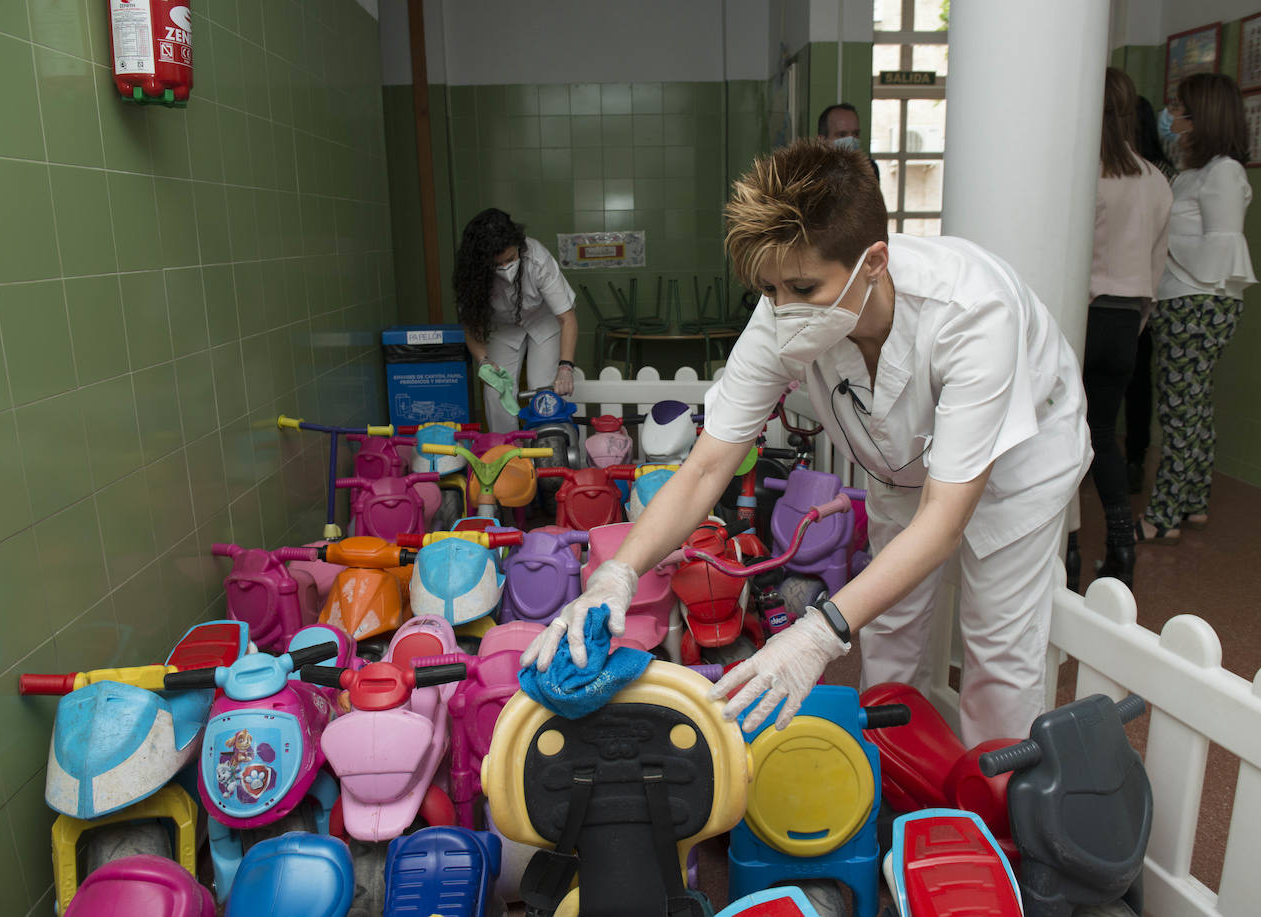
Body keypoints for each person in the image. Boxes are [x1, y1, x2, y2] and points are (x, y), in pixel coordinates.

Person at [524, 139, 1090, 745]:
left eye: (803, 288)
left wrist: (819, 633)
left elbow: (946, 520)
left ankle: (992, 818)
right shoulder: (783, 309)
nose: (783, 309)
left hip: (1016, 465)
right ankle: (888, 775)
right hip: (903, 462)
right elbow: (706, 466)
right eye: (769, 291)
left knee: (997, 648)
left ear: (874, 262)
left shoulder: (974, 312)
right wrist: (620, 573)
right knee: (888, 628)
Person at [1137, 74, 1256, 545]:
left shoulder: (1225, 171)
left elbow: (1222, 246)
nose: (1174, 117)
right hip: (1181, 299)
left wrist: (1164, 247)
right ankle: (1194, 502)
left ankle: (1163, 513)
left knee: (1180, 412)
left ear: (1203, 117)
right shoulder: (1193, 172)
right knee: (1193, 409)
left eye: (1182, 110)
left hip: (1199, 304)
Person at [1078, 69, 1171, 590]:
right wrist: (1137, 322)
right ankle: (1121, 552)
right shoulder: (1156, 179)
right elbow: (1157, 265)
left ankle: (1067, 554)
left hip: (1083, 316)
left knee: (1064, 438)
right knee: (1103, 438)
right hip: (1126, 322)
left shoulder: (1086, 175)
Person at [453, 209, 579, 432]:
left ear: (518, 246)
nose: (505, 269)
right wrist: (483, 360)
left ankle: (547, 452)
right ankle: (508, 455)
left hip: (543, 320)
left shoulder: (537, 259)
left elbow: (566, 317)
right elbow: (471, 324)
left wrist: (566, 367)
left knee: (543, 390)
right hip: (503, 328)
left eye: (510, 260)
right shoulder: (471, 273)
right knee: (495, 391)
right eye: (496, 265)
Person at [1123, 95, 1179, 495]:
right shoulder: (1163, 175)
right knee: (1139, 382)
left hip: (1108, 300)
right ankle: (1134, 459)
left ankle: (1110, 462)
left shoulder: (1114, 172)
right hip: (1142, 298)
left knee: (1099, 394)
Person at [818, 102, 881, 185]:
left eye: (856, 134)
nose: (851, 140)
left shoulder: (869, 169)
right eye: (842, 135)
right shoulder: (811, 173)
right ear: (822, 140)